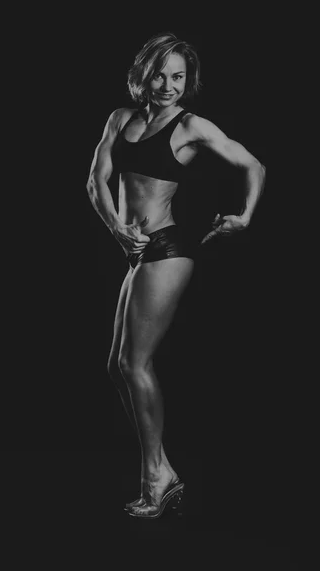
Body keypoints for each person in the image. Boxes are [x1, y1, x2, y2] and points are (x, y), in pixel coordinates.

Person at [86, 32, 266, 519]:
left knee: (134, 364)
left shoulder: (192, 127)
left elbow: (253, 164)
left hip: (168, 249)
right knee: (116, 367)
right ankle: (161, 468)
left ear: (189, 81)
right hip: (137, 251)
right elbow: (96, 180)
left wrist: (244, 216)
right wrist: (119, 230)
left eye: (179, 77)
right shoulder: (120, 119)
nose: (169, 85)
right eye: (161, 75)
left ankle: (155, 478)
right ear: (144, 73)